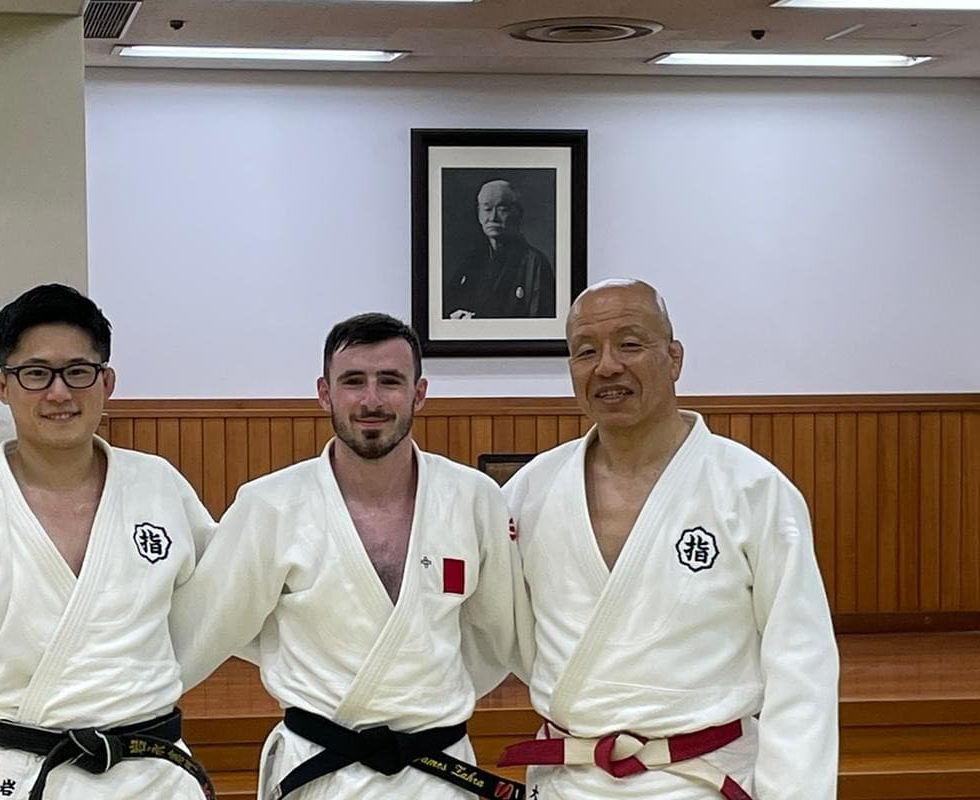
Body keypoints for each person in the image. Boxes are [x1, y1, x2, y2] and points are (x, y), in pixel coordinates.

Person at [0, 284, 217, 800]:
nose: (59, 392)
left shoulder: (158, 486)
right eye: (35, 373)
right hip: (27, 776)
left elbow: (227, 599)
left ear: (107, 382)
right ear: (2, 386)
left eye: (78, 371)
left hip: (154, 777)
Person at [497, 279, 838, 799]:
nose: (607, 366)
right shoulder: (530, 492)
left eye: (630, 344)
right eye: (585, 352)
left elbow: (801, 663)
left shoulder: (753, 490)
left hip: (700, 779)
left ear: (674, 358)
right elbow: (504, 633)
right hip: (568, 781)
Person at [174, 312, 533, 800]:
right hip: (320, 769)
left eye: (390, 381)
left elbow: (502, 635)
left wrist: (419, 687)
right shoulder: (270, 504)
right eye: (353, 382)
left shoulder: (473, 498)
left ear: (418, 393)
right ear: (325, 392)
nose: (371, 400)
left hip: (439, 773)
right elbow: (208, 627)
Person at [444, 179, 555, 319]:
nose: (493, 217)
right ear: (479, 214)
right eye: (487, 209)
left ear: (518, 213)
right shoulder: (471, 262)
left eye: (502, 210)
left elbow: (539, 327)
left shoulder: (535, 263)